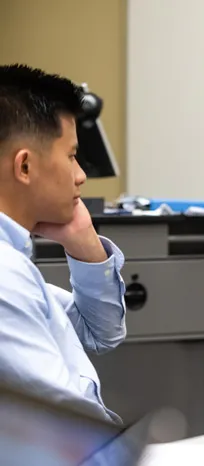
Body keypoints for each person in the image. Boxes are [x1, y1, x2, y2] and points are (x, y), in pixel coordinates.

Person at [0, 64, 126, 423]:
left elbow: (101, 334)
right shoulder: (5, 275)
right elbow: (69, 431)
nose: (81, 175)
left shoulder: (13, 261)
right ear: (24, 167)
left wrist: (83, 242)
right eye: (71, 156)